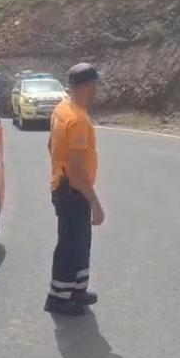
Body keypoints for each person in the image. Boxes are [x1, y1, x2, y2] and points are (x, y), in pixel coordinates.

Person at [44, 63, 104, 316]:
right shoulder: (77, 120)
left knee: (80, 242)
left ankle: (77, 289)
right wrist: (95, 203)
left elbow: (50, 145)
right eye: (93, 86)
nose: (95, 91)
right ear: (85, 87)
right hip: (72, 190)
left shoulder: (62, 109)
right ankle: (58, 297)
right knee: (70, 245)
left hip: (63, 185)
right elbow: (78, 170)